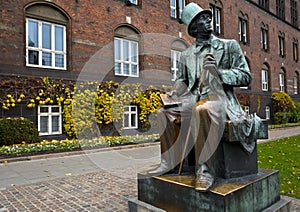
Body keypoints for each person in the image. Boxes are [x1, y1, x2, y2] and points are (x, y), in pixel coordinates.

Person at [149, 2, 252, 191]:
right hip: (191, 97)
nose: (208, 20)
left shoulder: (229, 46)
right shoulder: (187, 54)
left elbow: (245, 75)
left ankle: (205, 170)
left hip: (219, 98)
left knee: (202, 109)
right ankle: (169, 163)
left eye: (208, 17)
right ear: (194, 27)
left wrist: (219, 73)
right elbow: (181, 80)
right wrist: (174, 94)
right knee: (164, 113)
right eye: (202, 18)